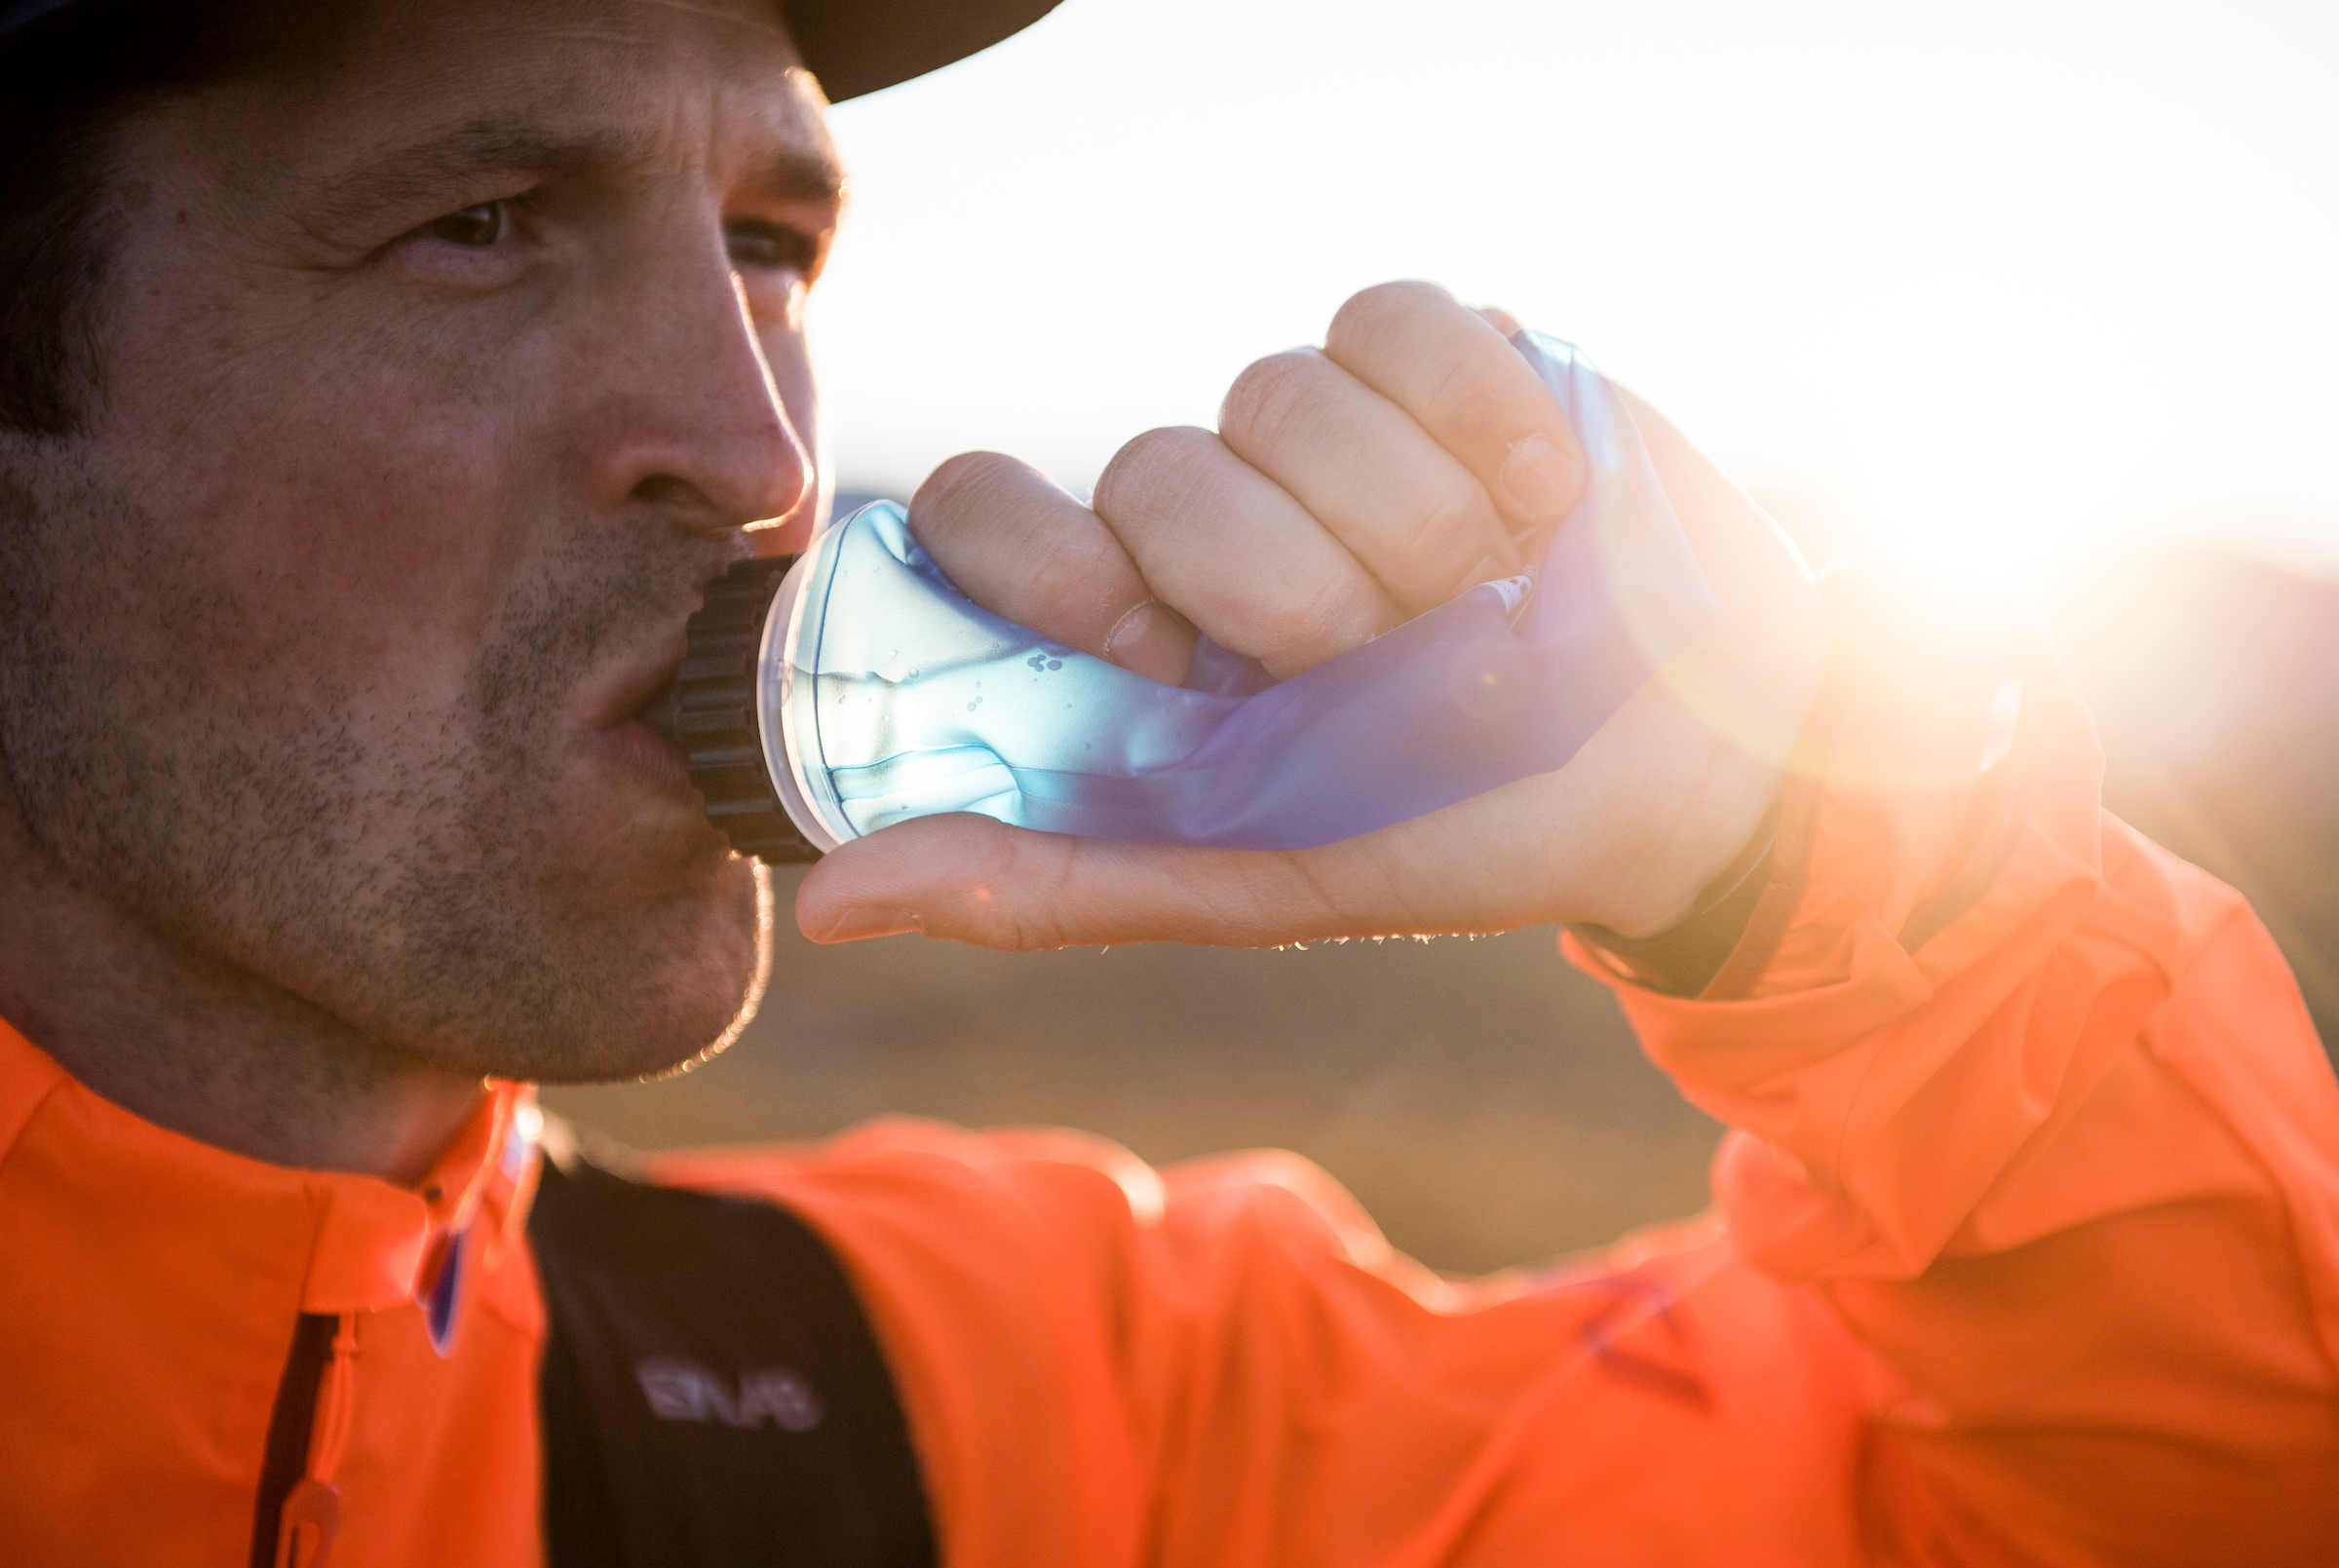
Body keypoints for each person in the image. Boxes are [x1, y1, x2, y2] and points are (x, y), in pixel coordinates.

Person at [0, 0, 2331, 1563]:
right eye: (480, 228)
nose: (759, 453)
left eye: (769, 245)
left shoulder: (1006, 1408)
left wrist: (1800, 860)